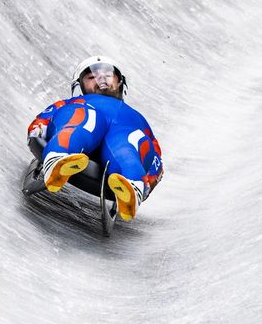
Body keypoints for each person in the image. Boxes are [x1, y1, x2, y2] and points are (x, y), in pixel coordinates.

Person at [27, 55, 164, 220]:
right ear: (79, 86)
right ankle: (59, 157)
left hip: (124, 128)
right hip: (87, 111)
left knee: (129, 144)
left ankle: (132, 184)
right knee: (84, 122)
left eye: (108, 75)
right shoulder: (72, 102)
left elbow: (155, 154)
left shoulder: (138, 119)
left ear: (120, 83)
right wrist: (36, 136)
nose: (101, 79)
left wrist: (149, 179)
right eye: (92, 77)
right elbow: (43, 120)